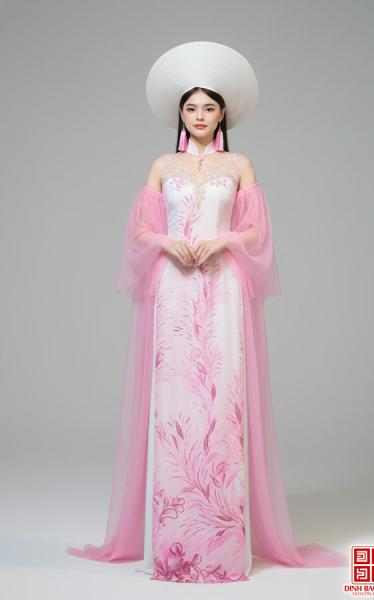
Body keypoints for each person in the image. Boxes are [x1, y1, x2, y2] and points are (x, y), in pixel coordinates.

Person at [66, 41, 348, 584]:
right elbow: (139, 232)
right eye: (191, 108)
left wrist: (222, 241)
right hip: (173, 287)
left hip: (222, 288)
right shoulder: (162, 165)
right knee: (173, 403)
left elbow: (257, 232)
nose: (199, 116)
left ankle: (223, 550)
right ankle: (170, 548)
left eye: (209, 108)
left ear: (223, 114)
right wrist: (167, 243)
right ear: (180, 113)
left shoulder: (239, 165)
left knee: (223, 401)